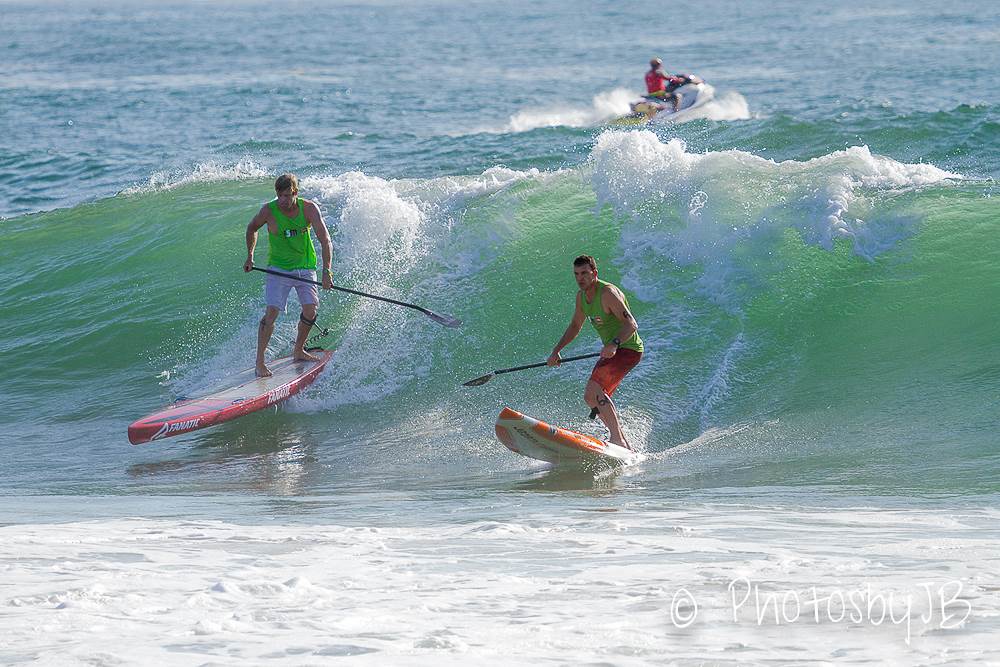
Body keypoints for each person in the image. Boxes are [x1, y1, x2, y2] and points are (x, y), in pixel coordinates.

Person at [547, 255, 644, 449]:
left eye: (584, 273)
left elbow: (632, 324)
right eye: (576, 274)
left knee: (594, 390)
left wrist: (614, 343)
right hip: (612, 351)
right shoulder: (581, 297)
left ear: (595, 273)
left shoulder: (607, 293)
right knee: (591, 397)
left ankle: (617, 439)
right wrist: (556, 351)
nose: (580, 278)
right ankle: (622, 443)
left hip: (628, 349)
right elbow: (575, 325)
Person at [243, 173, 333, 377]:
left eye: (287, 196)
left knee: (310, 310)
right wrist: (250, 256)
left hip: (305, 266)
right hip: (278, 269)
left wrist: (327, 271)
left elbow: (325, 239)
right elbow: (251, 228)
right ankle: (260, 362)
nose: (283, 200)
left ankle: (298, 350)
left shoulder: (309, 208)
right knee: (272, 312)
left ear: (295, 193)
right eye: (279, 195)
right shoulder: (269, 210)